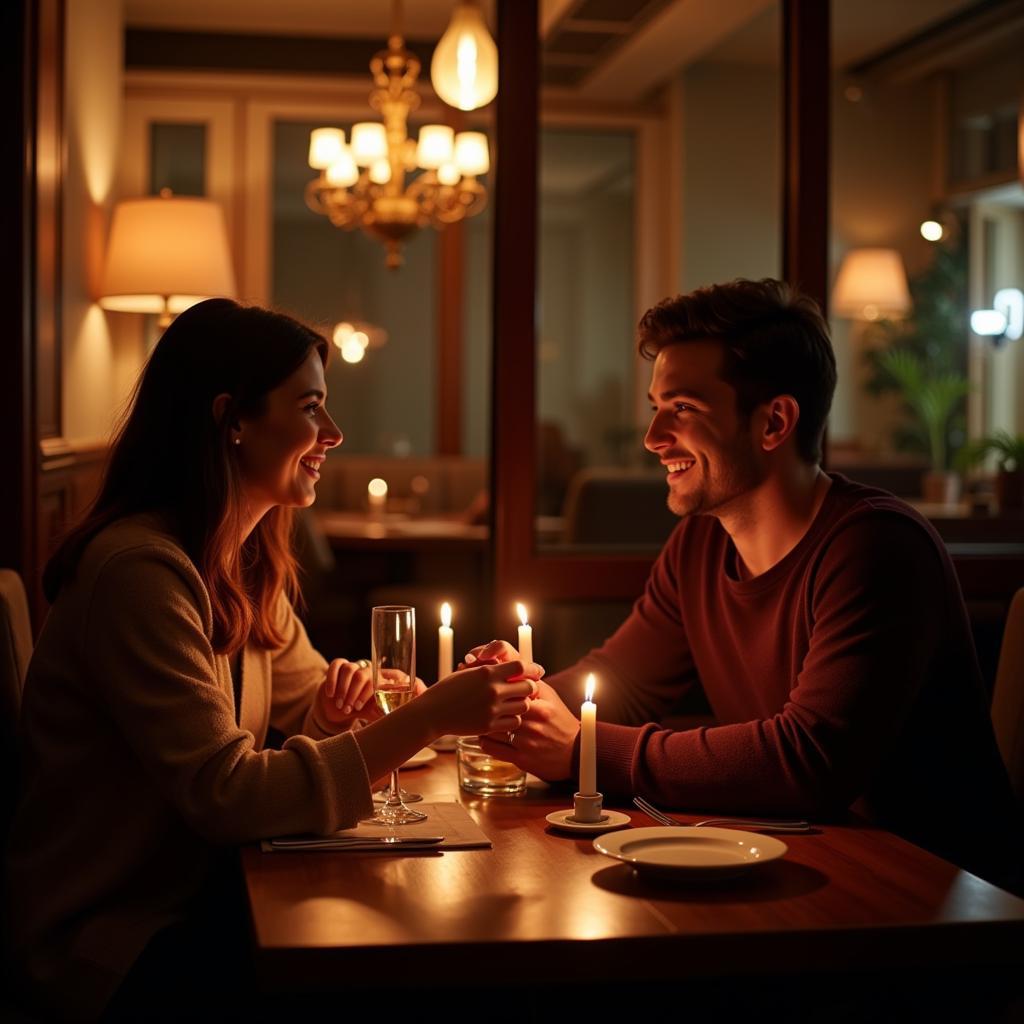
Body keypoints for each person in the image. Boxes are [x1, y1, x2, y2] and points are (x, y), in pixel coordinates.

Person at [5, 299, 539, 1021]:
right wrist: (428, 716)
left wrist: (336, 712)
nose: (333, 434)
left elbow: (305, 703)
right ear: (232, 419)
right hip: (115, 942)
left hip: (205, 895)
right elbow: (228, 796)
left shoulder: (242, 563)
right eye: (311, 408)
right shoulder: (138, 573)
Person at [474, 278, 1021, 892]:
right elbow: (622, 682)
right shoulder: (702, 543)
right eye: (656, 406)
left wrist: (585, 752)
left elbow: (810, 761)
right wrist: (502, 696)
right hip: (807, 871)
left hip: (932, 903)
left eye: (682, 408)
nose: (654, 437)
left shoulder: (877, 547)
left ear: (774, 422)